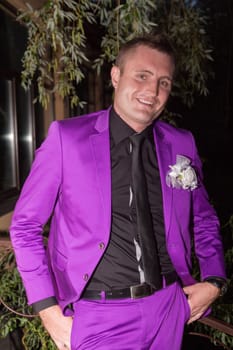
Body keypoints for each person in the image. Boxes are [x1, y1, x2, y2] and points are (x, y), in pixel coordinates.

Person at [10, 33, 227, 350]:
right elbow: (25, 225)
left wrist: (214, 280)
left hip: (170, 306)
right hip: (99, 315)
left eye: (164, 82)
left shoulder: (182, 143)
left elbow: (204, 219)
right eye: (142, 75)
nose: (152, 91)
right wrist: (47, 310)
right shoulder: (66, 139)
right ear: (115, 75)